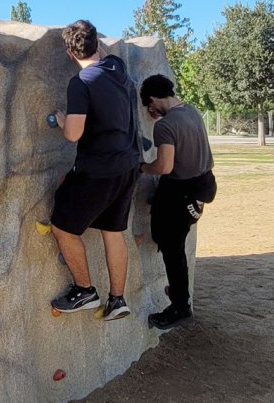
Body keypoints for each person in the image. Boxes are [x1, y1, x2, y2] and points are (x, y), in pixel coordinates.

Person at [50, 20, 140, 321]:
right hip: (128, 166)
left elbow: (74, 134)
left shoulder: (82, 82)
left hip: (97, 170)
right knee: (113, 232)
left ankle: (85, 290)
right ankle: (118, 299)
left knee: (62, 227)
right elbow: (105, 56)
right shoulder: (117, 67)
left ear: (68, 52)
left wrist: (63, 122)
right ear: (98, 44)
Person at [140, 74, 217, 330]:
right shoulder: (191, 112)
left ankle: (180, 308)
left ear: (152, 99)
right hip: (202, 186)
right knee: (175, 244)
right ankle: (179, 293)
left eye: (149, 107)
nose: (150, 112)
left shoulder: (165, 126)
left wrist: (142, 166)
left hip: (179, 194)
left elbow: (164, 165)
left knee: (172, 250)